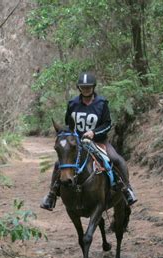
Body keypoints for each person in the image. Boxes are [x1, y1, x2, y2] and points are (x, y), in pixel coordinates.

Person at [40, 72, 137, 211]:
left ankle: (127, 190)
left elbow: (108, 124)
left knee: (117, 159)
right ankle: (51, 195)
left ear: (93, 87)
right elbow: (69, 124)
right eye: (83, 87)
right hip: (77, 143)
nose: (86, 89)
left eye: (88, 87)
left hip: (98, 141)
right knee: (58, 164)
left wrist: (93, 133)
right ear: (79, 88)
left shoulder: (101, 103)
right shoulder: (72, 103)